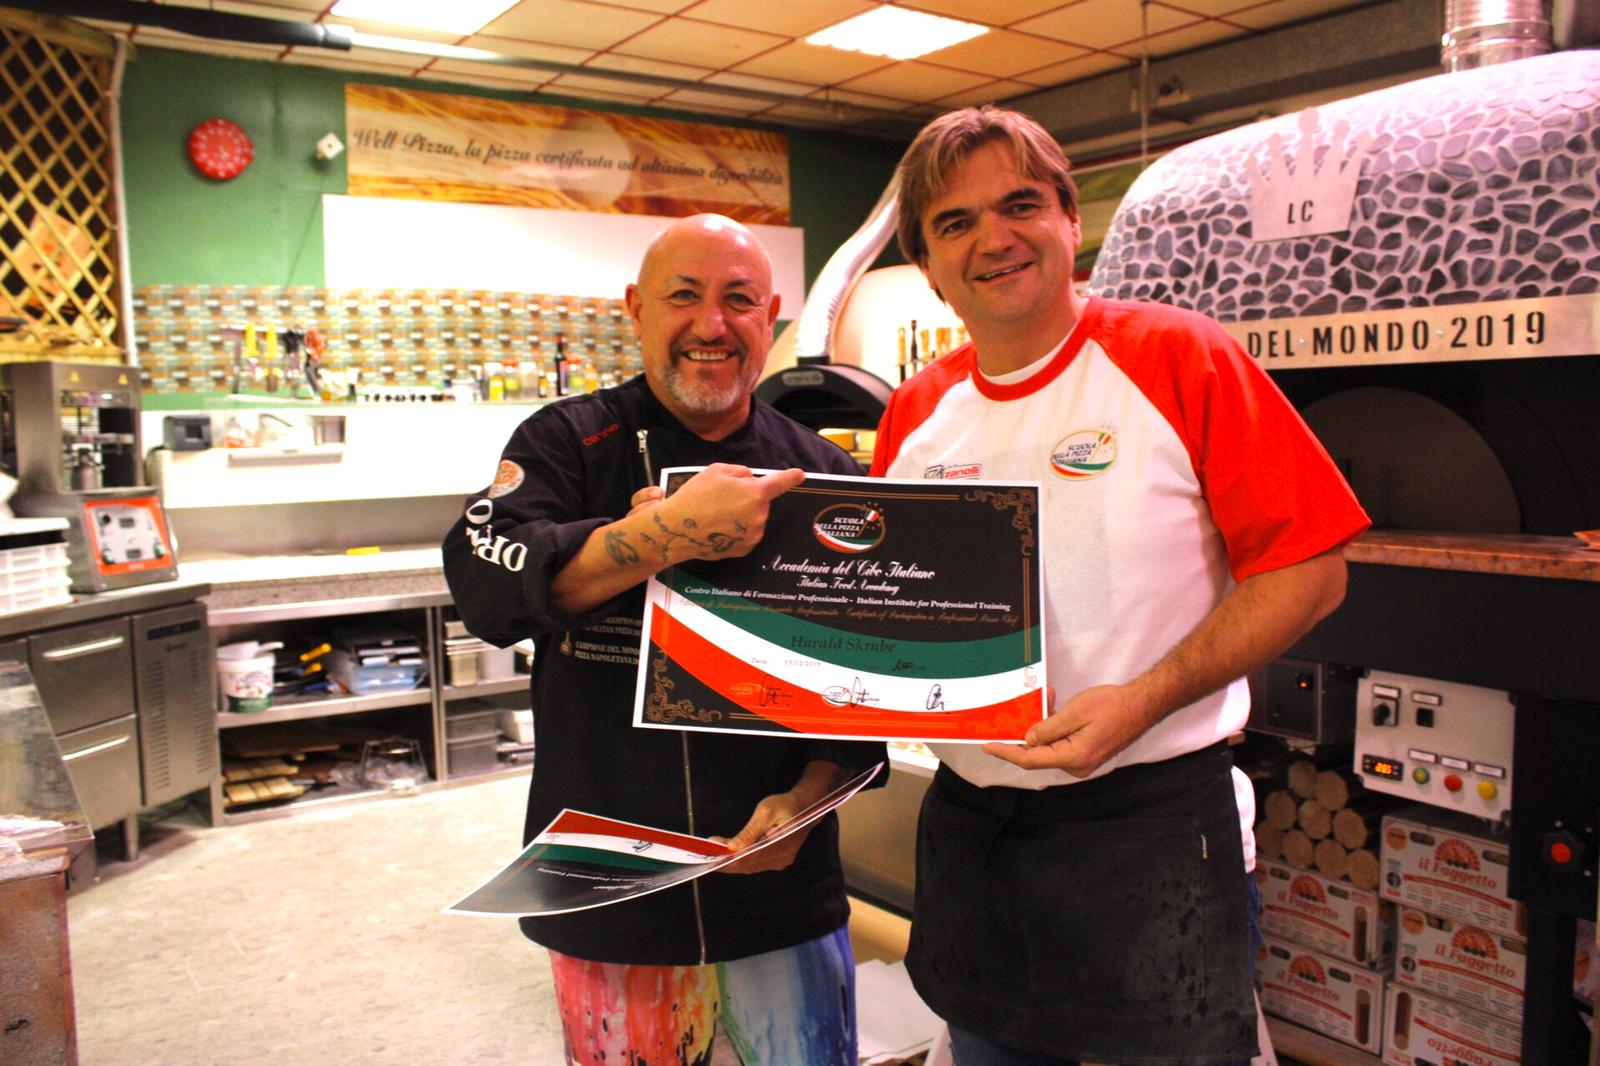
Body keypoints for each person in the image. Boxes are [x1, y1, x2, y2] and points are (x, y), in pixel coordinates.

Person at [870, 105, 1370, 1065]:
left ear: (1070, 221)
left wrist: (1143, 698)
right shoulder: (919, 410)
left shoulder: (1181, 357)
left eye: (1020, 205)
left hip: (1154, 830)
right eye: (956, 223)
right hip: (973, 835)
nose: (994, 239)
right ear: (928, 267)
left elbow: (1312, 569)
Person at [443, 213, 884, 1066]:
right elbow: (486, 586)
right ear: (636, 309)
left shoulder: (826, 472)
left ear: (772, 318)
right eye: (683, 296)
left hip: (782, 897)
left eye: (739, 300)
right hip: (610, 901)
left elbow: (866, 687)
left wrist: (811, 795)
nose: (711, 324)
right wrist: (657, 536)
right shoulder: (567, 443)